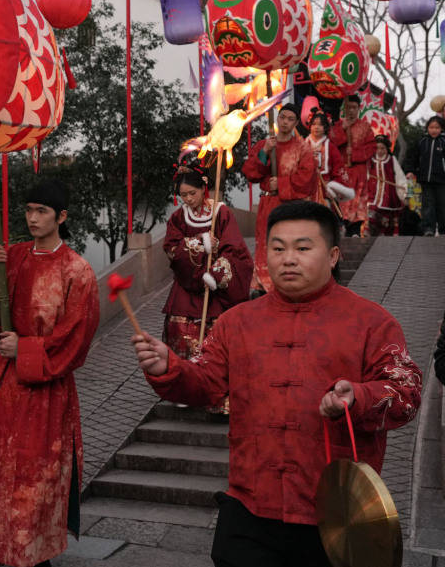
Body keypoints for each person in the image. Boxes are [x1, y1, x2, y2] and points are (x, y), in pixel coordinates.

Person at [131, 200, 421, 567]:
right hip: (249, 506)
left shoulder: (372, 322)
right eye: (278, 249)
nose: (288, 259)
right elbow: (205, 383)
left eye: (303, 248)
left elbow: (406, 392)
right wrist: (169, 368)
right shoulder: (236, 322)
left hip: (335, 514)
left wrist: (358, 397)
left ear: (333, 256)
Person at [0, 179, 99, 567]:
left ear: (61, 217)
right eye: (28, 210)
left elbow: (75, 342)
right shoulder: (14, 256)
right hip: (5, 387)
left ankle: (34, 557)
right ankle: (3, 554)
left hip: (47, 393)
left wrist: (24, 348)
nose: (33, 218)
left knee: (36, 481)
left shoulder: (78, 271)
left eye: (42, 211)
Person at [162, 165, 252, 360]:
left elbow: (235, 249)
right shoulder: (178, 217)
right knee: (179, 331)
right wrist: (200, 242)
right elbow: (171, 248)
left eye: (192, 193)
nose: (188, 199)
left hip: (215, 286)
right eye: (183, 195)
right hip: (187, 284)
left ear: (203, 188)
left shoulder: (221, 213)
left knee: (220, 333)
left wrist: (216, 273)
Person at [242, 103, 317, 293]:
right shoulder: (265, 144)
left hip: (289, 208)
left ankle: (285, 286)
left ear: (296, 123)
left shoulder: (302, 148)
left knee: (286, 245)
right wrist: (265, 152)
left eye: (290, 119)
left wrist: (282, 184)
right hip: (267, 206)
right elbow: (251, 173)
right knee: (266, 244)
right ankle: (263, 287)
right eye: (282, 117)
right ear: (277, 118)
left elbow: (307, 179)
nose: (285, 122)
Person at [330, 94, 376, 236]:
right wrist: (342, 130)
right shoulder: (338, 126)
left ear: (358, 108)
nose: (351, 110)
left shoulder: (365, 127)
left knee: (358, 201)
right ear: (344, 109)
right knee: (341, 201)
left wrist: (355, 153)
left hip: (358, 171)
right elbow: (331, 144)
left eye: (354, 107)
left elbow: (372, 148)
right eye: (348, 107)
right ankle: (341, 227)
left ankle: (355, 230)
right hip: (341, 171)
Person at [304, 109, 353, 216]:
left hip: (325, 190)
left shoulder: (331, 148)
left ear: (326, 127)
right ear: (310, 126)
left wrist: (333, 189)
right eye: (314, 124)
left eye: (320, 125)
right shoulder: (302, 146)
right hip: (305, 190)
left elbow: (339, 169)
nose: (316, 127)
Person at [404, 115, 445, 236]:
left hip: (442, 180)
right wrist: (410, 170)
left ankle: (443, 229)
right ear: (427, 128)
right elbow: (412, 157)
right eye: (431, 127)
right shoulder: (421, 141)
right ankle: (428, 229)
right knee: (428, 205)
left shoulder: (443, 142)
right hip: (425, 180)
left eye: (437, 127)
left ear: (441, 129)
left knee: (442, 205)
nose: (434, 130)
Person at [366, 135, 407, 236]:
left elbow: (399, 176)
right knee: (371, 211)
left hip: (388, 195)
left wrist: (404, 192)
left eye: (382, 148)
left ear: (387, 149)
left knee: (386, 217)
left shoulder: (391, 160)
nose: (379, 151)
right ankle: (370, 234)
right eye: (377, 148)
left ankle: (384, 236)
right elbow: (364, 174)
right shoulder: (370, 160)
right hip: (372, 193)